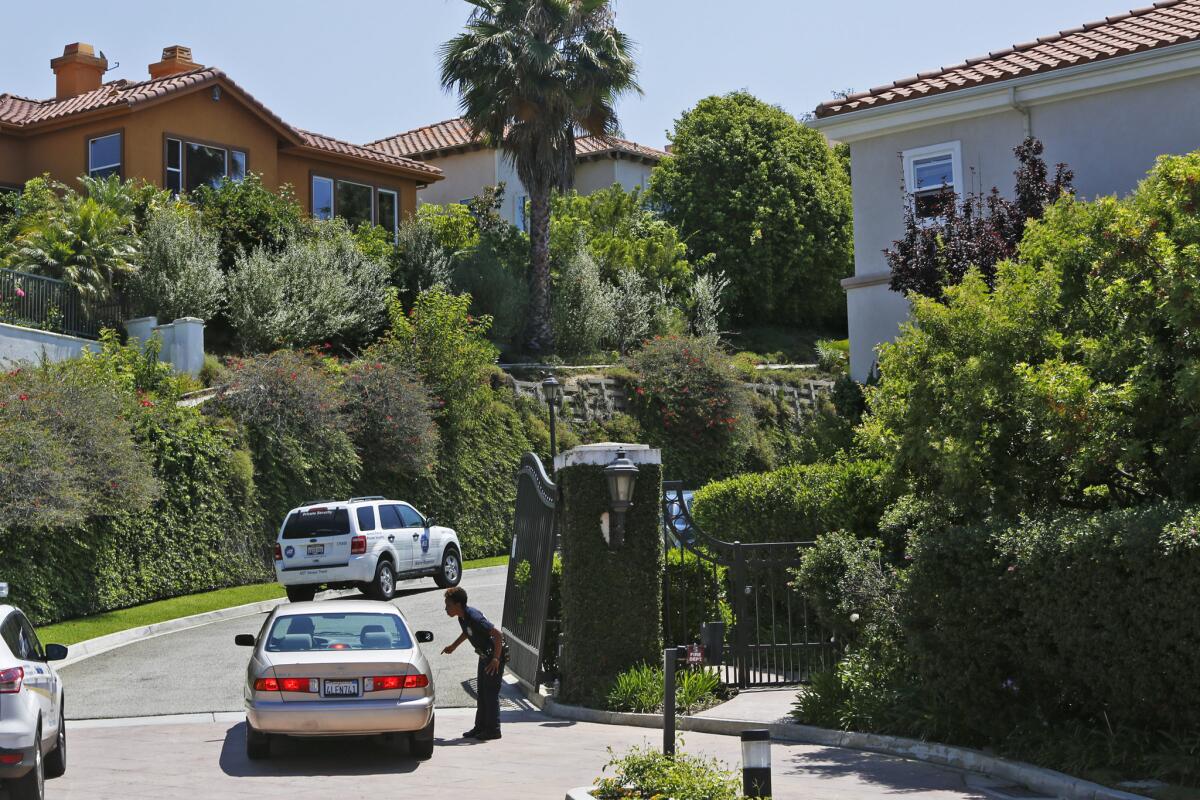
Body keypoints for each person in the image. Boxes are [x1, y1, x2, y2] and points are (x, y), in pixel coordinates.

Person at [442, 586, 505, 740]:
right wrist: (453, 646)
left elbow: (498, 635)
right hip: (484, 657)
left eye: (448, 605)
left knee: (490, 694)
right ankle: (480, 727)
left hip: (494, 658)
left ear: (458, 605)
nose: (446, 609)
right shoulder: (462, 617)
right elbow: (467, 632)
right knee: (482, 693)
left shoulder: (474, 616)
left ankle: (493, 730)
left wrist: (496, 659)